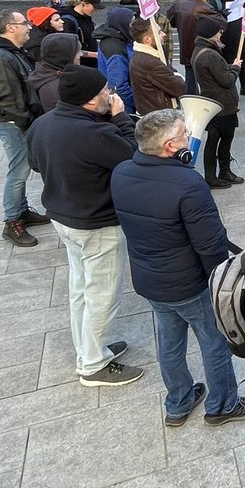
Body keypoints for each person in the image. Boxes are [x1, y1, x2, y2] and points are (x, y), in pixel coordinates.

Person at [111, 109, 245, 427]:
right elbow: (211, 246)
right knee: (214, 343)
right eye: (185, 134)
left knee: (169, 341)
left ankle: (179, 402)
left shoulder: (121, 172)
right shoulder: (188, 185)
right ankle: (222, 405)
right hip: (189, 284)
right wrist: (219, 286)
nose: (190, 138)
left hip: (150, 280)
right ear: (171, 146)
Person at [27, 65, 144, 387]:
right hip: (97, 224)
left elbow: (36, 164)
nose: (111, 95)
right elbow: (133, 158)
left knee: (80, 289)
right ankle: (93, 364)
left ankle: (89, 348)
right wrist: (121, 119)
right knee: (102, 295)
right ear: (91, 101)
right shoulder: (97, 133)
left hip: (63, 218)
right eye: (106, 91)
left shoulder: (42, 124)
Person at [0, 9, 50, 247]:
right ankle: (12, 221)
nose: (29, 27)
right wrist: (28, 124)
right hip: (14, 124)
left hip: (17, 122)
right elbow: (8, 100)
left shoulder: (11, 54)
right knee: (19, 172)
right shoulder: (2, 58)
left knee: (20, 170)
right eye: (24, 23)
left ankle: (21, 211)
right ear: (10, 27)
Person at [192, 16, 244, 188]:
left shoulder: (200, 50)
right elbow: (227, 80)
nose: (221, 33)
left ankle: (214, 174)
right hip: (222, 105)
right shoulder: (210, 55)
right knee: (223, 139)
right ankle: (221, 173)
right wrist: (235, 67)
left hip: (212, 103)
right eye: (218, 31)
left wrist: (228, 67)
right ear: (211, 34)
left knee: (214, 139)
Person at [167, 0, 222, 94]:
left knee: (190, 77)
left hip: (186, 48)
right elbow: (222, 23)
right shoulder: (204, 7)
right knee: (207, 79)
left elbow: (171, 21)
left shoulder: (178, 4)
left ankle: (190, 100)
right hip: (201, 49)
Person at [128, 17, 186, 114]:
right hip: (160, 116)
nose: (164, 34)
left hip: (154, 112)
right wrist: (177, 75)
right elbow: (180, 87)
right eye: (159, 32)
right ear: (147, 39)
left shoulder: (144, 56)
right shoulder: (150, 62)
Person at [94, 6, 136, 113]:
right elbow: (119, 87)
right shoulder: (116, 50)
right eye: (131, 23)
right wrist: (138, 102)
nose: (134, 26)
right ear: (122, 23)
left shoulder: (116, 37)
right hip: (124, 106)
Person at [27, 32, 80, 113]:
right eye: (77, 52)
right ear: (65, 56)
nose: (81, 54)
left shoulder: (50, 72)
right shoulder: (56, 88)